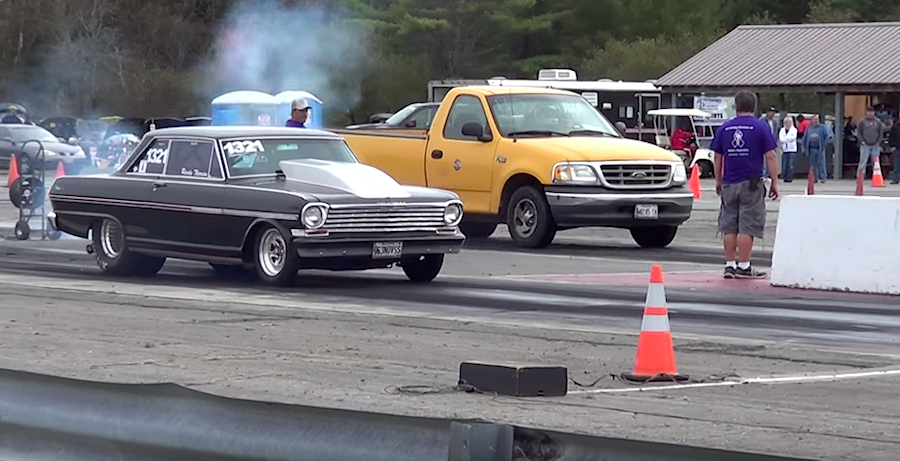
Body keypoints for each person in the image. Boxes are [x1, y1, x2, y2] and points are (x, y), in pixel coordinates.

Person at [711, 90, 779, 279]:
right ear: (754, 106)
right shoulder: (760, 127)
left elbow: (717, 157)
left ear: (736, 106)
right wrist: (775, 182)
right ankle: (744, 265)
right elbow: (771, 156)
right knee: (747, 225)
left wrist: (718, 180)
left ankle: (730, 264)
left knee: (729, 225)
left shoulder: (725, 128)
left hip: (729, 183)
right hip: (751, 183)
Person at [856, 106, 885, 179]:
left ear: (874, 113)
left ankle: (876, 176)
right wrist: (862, 141)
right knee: (863, 161)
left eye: (871, 112)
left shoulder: (878, 121)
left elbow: (881, 132)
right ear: (866, 112)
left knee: (875, 162)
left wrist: (878, 142)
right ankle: (860, 176)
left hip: (875, 145)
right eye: (869, 112)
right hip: (865, 145)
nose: (870, 113)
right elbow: (859, 132)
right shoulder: (861, 121)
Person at [801, 114, 832, 183]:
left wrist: (824, 145)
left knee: (821, 163)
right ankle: (814, 177)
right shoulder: (809, 128)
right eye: (814, 119)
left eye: (817, 119)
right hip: (811, 149)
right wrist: (803, 147)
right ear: (811, 120)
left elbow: (827, 137)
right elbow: (805, 138)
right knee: (813, 164)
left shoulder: (823, 128)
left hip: (820, 148)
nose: (816, 121)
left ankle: (823, 177)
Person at [759, 107, 778, 178]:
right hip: (763, 143)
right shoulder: (762, 121)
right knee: (764, 159)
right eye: (771, 112)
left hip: (771, 143)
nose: (772, 114)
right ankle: (763, 174)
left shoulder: (775, 122)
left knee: (771, 159)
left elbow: (776, 133)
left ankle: (769, 174)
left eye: (773, 112)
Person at [778, 116, 799, 182]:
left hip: (792, 149)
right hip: (784, 149)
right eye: (786, 122)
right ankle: (784, 177)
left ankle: (790, 177)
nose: (788, 124)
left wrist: (785, 138)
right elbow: (781, 139)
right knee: (785, 164)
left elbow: (793, 138)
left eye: (789, 122)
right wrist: (787, 139)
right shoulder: (782, 130)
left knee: (790, 164)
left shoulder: (794, 130)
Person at [888, 116, 900, 184]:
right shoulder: (895, 126)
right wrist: (892, 146)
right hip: (897, 147)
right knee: (896, 164)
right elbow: (891, 136)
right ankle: (896, 179)